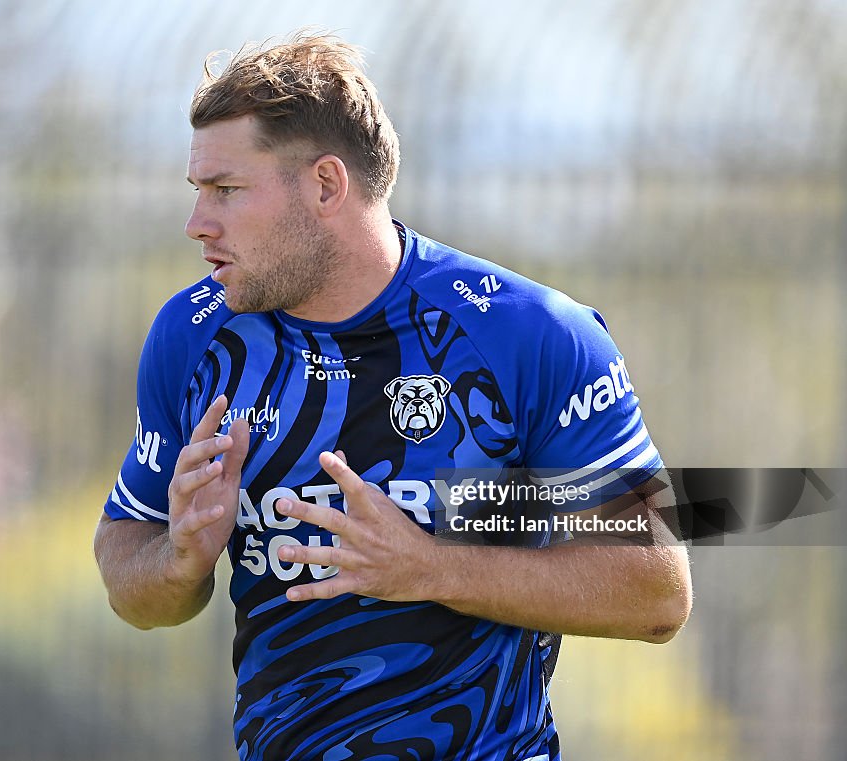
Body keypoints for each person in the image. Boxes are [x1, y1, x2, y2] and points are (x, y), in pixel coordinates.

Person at [94, 32, 692, 761]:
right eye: (198, 191)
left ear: (325, 186)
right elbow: (129, 572)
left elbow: (656, 593)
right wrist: (179, 559)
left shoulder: (527, 336)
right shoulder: (194, 338)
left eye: (226, 190)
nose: (197, 223)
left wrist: (430, 567)